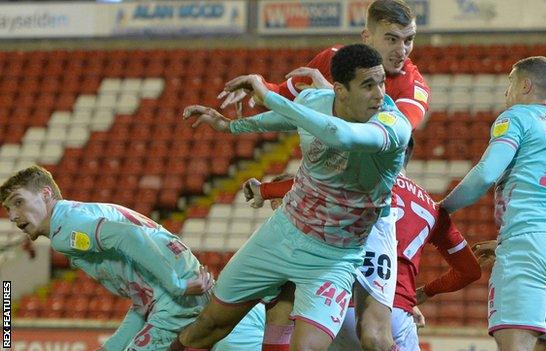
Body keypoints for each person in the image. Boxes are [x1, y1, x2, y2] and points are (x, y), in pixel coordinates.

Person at [169, 43, 411, 351]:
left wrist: (267, 94)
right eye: (368, 85)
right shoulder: (314, 101)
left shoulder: (393, 126)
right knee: (206, 328)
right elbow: (283, 119)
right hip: (281, 234)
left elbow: (341, 135)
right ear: (340, 90)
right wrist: (229, 126)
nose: (380, 94)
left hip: (333, 257)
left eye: (381, 82)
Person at [252, 138, 482, 351]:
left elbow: (308, 185)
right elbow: (469, 271)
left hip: (332, 309)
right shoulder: (433, 209)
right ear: (409, 155)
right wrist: (424, 293)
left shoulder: (356, 183)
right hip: (391, 312)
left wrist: (264, 190)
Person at [439, 56, 546, 351]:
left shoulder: (517, 116)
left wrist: (442, 208)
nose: (506, 91)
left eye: (509, 82)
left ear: (525, 85)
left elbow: (486, 174)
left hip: (529, 246)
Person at [0, 166, 213, 350]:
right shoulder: (77, 215)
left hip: (177, 297)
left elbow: (130, 235)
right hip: (181, 289)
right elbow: (143, 301)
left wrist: (178, 286)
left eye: (18, 202)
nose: (12, 216)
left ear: (46, 194)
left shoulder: (65, 229)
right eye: (8, 209)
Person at [219, 0, 430, 130]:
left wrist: (333, 94)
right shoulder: (333, 58)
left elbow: (391, 133)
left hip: (375, 193)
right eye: (392, 40)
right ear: (367, 37)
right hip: (328, 183)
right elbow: (283, 97)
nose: (402, 50)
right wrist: (257, 88)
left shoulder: (415, 87)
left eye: (408, 40)